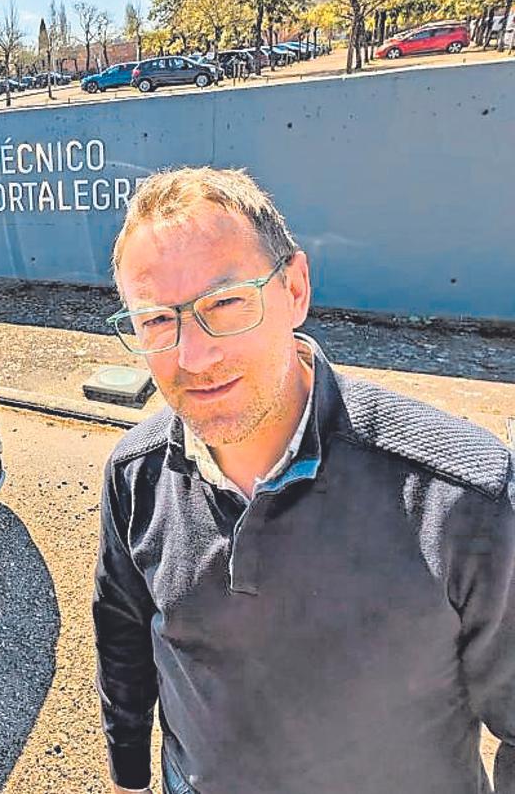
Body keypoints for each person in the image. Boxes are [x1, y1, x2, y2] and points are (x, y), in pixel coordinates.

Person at [93, 167, 515, 794]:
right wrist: (129, 768)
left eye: (226, 302)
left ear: (294, 289)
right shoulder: (136, 476)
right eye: (157, 321)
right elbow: (124, 631)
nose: (193, 356)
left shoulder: (463, 499)